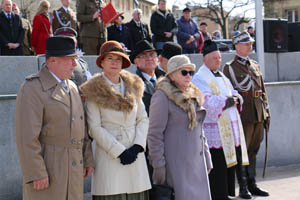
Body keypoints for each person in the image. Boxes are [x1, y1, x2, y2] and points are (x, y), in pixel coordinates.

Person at [15, 36, 94, 200]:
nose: (75, 64)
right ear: (52, 60)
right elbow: (26, 137)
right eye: (69, 59)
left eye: (75, 59)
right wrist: (36, 172)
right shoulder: (32, 88)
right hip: (49, 169)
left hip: (73, 169)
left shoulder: (71, 86)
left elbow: (82, 128)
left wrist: (87, 159)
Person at [79, 41, 151, 200]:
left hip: (135, 153)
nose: (114, 62)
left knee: (136, 194)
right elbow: (94, 128)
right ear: (102, 62)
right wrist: (119, 151)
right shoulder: (93, 90)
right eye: (110, 58)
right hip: (109, 155)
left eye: (118, 59)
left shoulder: (133, 86)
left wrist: (138, 146)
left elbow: (143, 118)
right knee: (112, 193)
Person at [148, 55, 212, 200]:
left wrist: (207, 157)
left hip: (196, 164)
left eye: (191, 72)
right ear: (171, 75)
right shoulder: (162, 97)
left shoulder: (193, 94)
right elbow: (154, 134)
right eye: (184, 72)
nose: (189, 76)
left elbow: (199, 130)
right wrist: (159, 167)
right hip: (176, 167)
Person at [192, 40, 249, 200]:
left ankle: (227, 194)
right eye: (215, 58)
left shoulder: (222, 76)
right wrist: (229, 100)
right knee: (217, 167)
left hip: (229, 130)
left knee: (228, 165)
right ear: (205, 59)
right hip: (214, 131)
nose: (219, 61)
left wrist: (233, 98)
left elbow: (234, 92)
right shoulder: (200, 77)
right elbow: (206, 101)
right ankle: (218, 196)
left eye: (219, 57)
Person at [223, 31, 271, 198]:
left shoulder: (255, 65)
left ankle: (253, 183)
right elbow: (230, 92)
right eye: (246, 44)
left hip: (258, 112)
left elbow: (262, 91)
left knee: (253, 150)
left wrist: (267, 113)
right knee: (242, 151)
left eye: (250, 43)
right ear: (236, 46)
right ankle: (243, 187)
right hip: (243, 114)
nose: (250, 46)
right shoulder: (230, 67)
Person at [131, 40, 161, 115]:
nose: (149, 58)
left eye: (152, 55)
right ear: (136, 62)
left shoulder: (168, 79)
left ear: (157, 59)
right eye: (144, 56)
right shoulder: (133, 84)